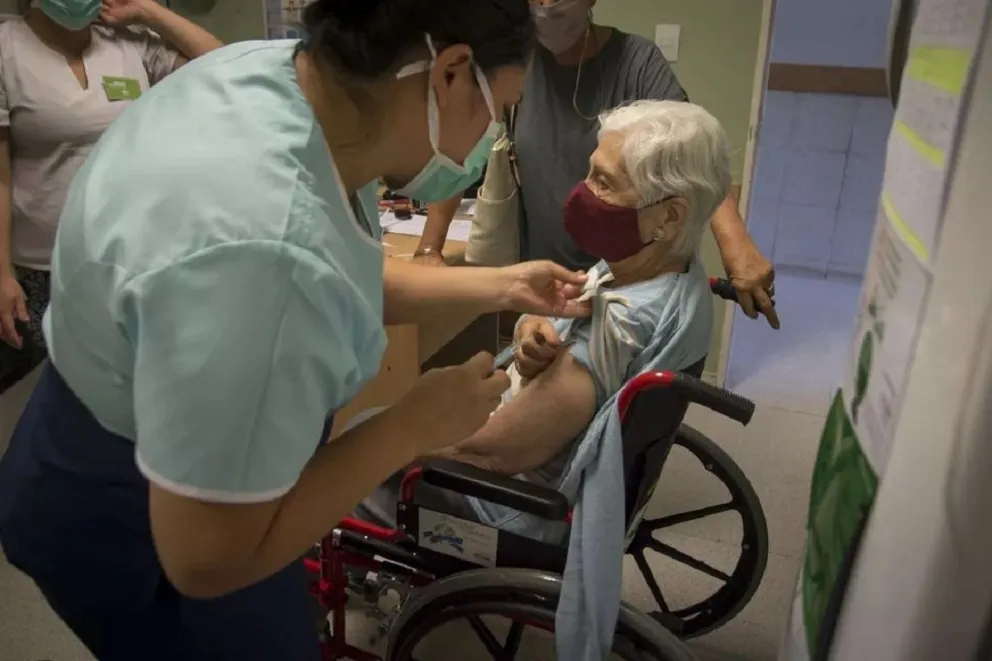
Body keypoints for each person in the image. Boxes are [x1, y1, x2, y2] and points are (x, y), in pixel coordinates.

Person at [0, 1, 589, 659]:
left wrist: (503, 283)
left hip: (115, 431)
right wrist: (411, 424)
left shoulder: (270, 79)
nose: (488, 138)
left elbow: (333, 259)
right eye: (495, 108)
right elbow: (206, 559)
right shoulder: (262, 252)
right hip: (128, 514)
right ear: (450, 72)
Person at [358, 99, 728, 539]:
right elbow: (558, 332)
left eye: (603, 181)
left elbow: (495, 452)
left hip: (503, 503)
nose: (584, 190)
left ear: (669, 215)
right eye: (591, 171)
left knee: (364, 441)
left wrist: (399, 433)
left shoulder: (623, 322)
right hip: (524, 449)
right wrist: (531, 331)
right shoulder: (656, 272)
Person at [414, 0, 781, 329]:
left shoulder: (637, 64)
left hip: (621, 285)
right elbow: (464, 143)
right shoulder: (517, 64)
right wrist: (430, 248)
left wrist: (737, 246)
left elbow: (696, 158)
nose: (546, 6)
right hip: (539, 279)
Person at [0, 0, 223, 444]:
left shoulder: (129, 46)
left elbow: (223, 65)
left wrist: (150, 12)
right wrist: (0, 271)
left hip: (125, 264)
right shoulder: (7, 47)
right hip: (39, 272)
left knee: (111, 418)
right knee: (33, 416)